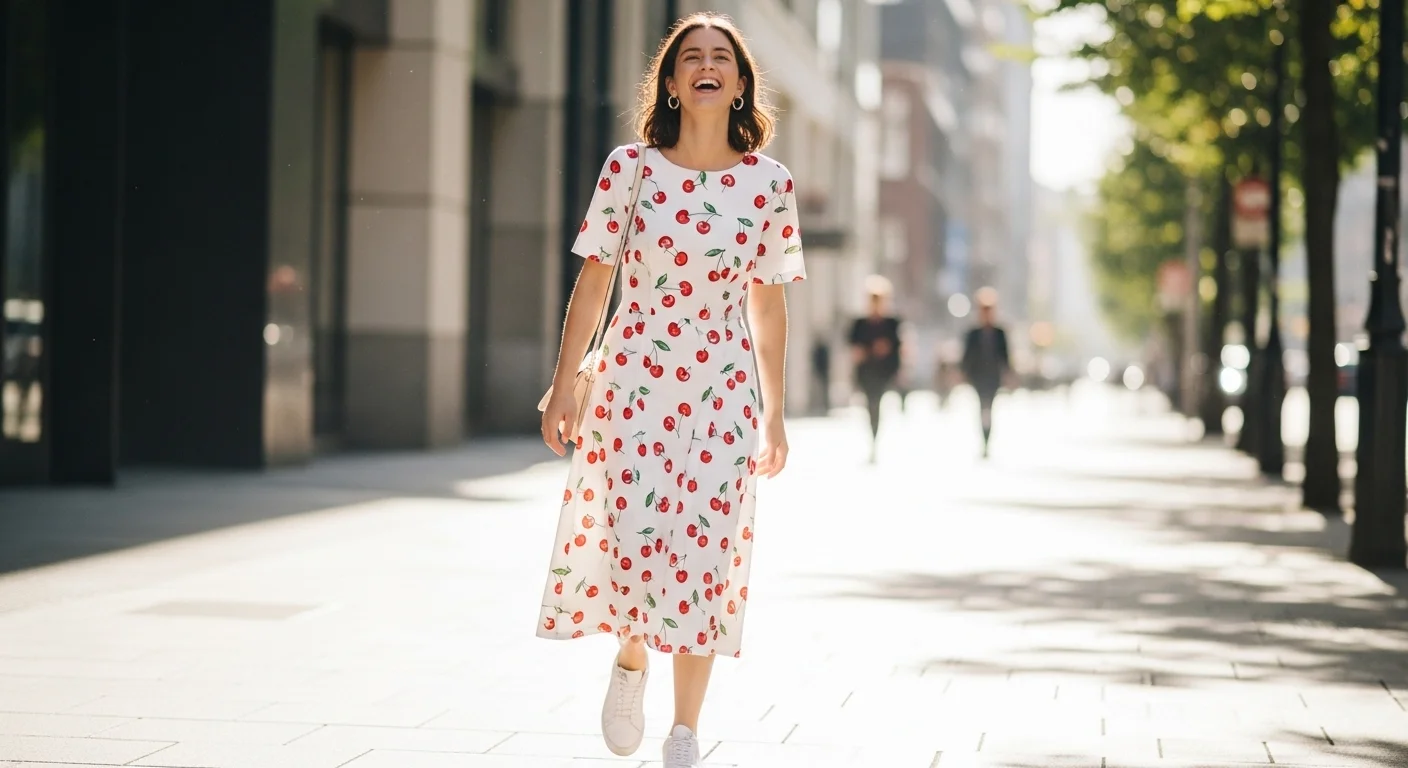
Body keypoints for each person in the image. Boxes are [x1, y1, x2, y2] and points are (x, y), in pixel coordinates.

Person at [537, 14, 805, 768]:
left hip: (723, 390)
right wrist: (564, 386)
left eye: (723, 56)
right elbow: (595, 282)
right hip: (632, 381)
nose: (708, 65)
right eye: (693, 57)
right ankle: (630, 658)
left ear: (741, 82)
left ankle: (685, 729)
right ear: (674, 82)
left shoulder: (770, 184)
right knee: (636, 536)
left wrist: (776, 413)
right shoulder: (631, 168)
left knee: (707, 551)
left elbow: (769, 303)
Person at [849, 277, 901, 463]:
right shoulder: (860, 323)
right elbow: (853, 347)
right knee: (870, 405)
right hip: (866, 372)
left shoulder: (892, 323)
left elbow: (898, 348)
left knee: (876, 404)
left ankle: (875, 437)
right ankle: (872, 435)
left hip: (883, 372)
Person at [961, 288, 1011, 458]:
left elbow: (1006, 356)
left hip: (993, 377)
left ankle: (987, 441)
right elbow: (966, 356)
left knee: (989, 408)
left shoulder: (999, 333)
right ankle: (983, 439)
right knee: (982, 407)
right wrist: (963, 373)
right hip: (978, 376)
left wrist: (1009, 375)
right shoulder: (973, 333)